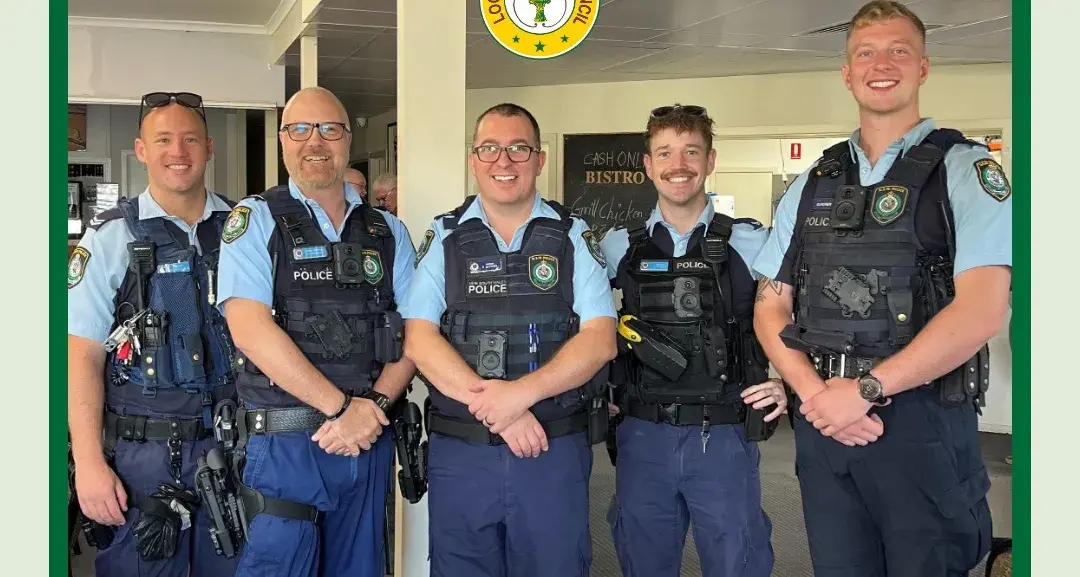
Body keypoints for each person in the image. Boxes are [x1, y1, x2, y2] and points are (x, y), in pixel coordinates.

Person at [751, 2, 1011, 576]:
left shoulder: (965, 171)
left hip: (921, 423)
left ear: (924, 67)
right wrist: (816, 395)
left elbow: (981, 311)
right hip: (824, 420)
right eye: (866, 53)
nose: (882, 64)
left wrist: (865, 390)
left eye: (899, 51)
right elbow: (771, 305)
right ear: (847, 73)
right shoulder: (812, 183)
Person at [401, 102, 617, 577]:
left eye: (519, 148)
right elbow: (419, 339)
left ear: (540, 159)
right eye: (490, 149)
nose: (504, 161)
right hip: (462, 452)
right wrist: (500, 411)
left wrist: (519, 396)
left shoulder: (572, 235)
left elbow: (600, 338)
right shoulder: (445, 235)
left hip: (549, 447)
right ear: (473, 160)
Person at [215, 86, 418, 577]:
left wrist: (373, 407)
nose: (315, 141)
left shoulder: (388, 232)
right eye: (300, 129)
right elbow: (250, 330)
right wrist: (343, 410)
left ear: (347, 139)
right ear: (283, 141)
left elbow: (417, 333)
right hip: (286, 444)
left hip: (366, 438)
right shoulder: (255, 220)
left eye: (329, 129)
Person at [598, 103, 783, 577]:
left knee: (737, 562)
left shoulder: (753, 243)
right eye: (664, 153)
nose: (677, 165)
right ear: (648, 164)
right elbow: (591, 327)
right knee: (644, 562)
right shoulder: (616, 247)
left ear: (710, 160)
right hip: (643, 433)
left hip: (722, 434)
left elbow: (792, 317)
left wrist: (788, 381)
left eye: (691, 152)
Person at [67, 91, 241, 576]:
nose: (177, 152)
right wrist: (89, 463)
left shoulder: (243, 230)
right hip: (142, 458)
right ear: (142, 150)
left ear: (208, 147)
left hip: (235, 453)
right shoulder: (109, 238)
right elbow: (80, 354)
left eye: (190, 139)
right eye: (163, 140)